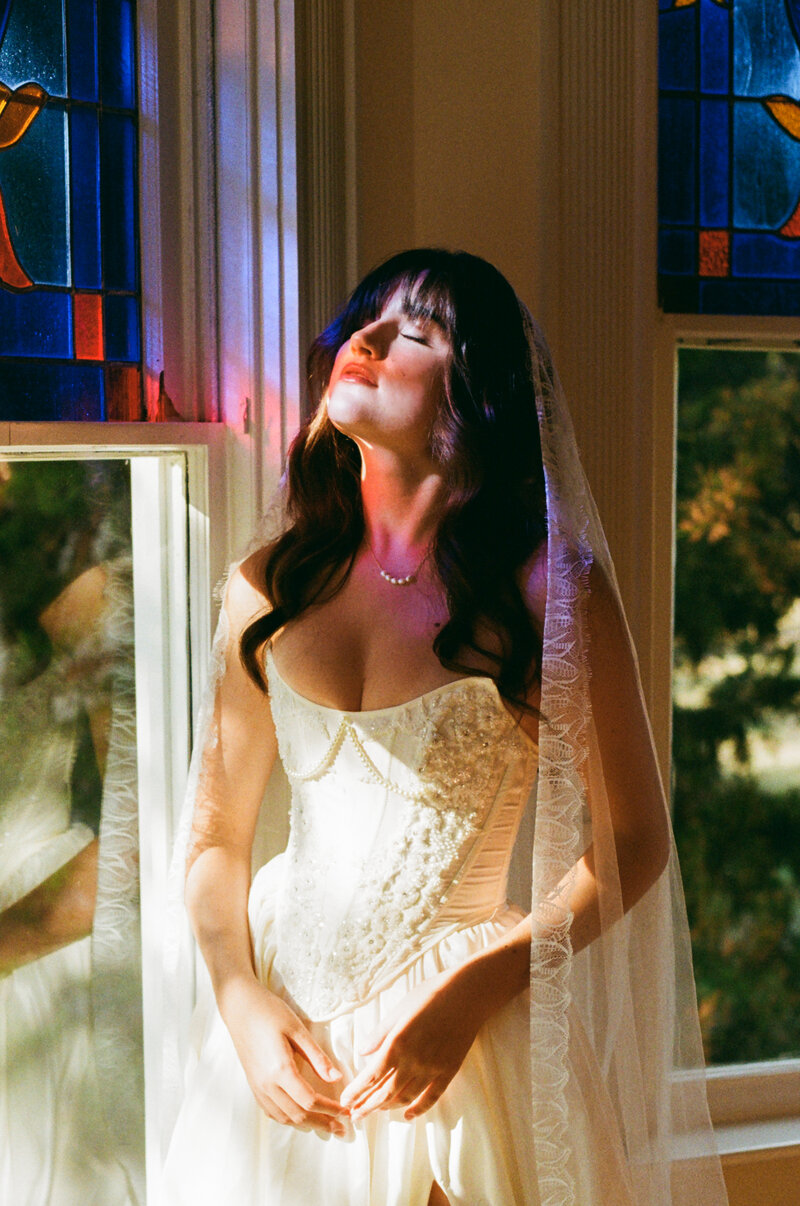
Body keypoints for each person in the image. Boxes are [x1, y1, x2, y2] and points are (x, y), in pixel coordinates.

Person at [161, 249, 728, 1205]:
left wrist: (480, 988)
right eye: (365, 321)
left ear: (476, 398)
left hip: (456, 1049)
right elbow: (215, 839)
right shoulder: (269, 587)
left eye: (415, 333)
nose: (367, 340)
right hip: (278, 1045)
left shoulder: (551, 592)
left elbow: (634, 839)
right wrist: (241, 1001)